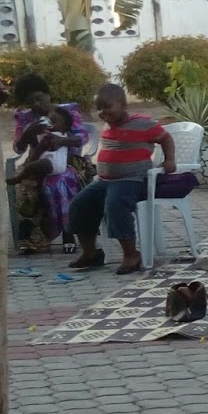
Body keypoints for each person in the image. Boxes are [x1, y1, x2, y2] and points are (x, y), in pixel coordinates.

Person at [66, 84, 175, 274]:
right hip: (104, 181)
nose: (103, 112)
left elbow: (166, 139)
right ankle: (91, 253)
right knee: (79, 204)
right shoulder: (109, 124)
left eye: (107, 106)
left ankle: (131, 255)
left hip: (132, 180)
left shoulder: (143, 123)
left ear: (123, 104)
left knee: (115, 205)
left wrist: (170, 160)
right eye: (99, 108)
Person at [9, 74, 92, 254]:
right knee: (24, 186)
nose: (36, 104)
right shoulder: (25, 118)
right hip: (37, 162)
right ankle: (34, 240)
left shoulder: (66, 111)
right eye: (31, 102)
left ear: (48, 94)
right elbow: (18, 149)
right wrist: (27, 133)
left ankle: (68, 232)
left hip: (70, 162)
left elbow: (83, 137)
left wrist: (62, 141)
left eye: (39, 98)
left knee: (59, 181)